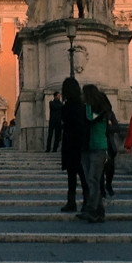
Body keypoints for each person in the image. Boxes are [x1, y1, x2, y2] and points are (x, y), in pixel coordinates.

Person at [78, 84, 110, 224]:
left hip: (98, 147)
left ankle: (92, 209)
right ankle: (99, 211)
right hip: (88, 147)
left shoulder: (98, 110)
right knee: (92, 180)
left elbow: (90, 118)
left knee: (93, 179)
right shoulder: (92, 109)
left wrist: (87, 106)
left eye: (83, 93)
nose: (81, 96)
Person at [58, 77, 87, 213]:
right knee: (83, 174)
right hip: (81, 143)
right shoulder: (83, 106)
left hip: (70, 142)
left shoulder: (66, 107)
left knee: (72, 175)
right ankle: (87, 201)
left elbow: (63, 122)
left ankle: (71, 202)